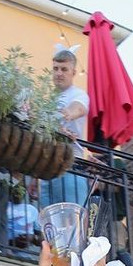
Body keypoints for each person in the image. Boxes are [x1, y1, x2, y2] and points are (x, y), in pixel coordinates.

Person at [39, 45, 90, 207]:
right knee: (48, 226)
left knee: (72, 221)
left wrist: (66, 114)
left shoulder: (79, 94)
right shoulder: (47, 99)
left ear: (73, 72)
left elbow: (78, 108)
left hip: (71, 165)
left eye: (64, 69)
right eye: (55, 68)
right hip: (47, 168)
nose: (59, 73)